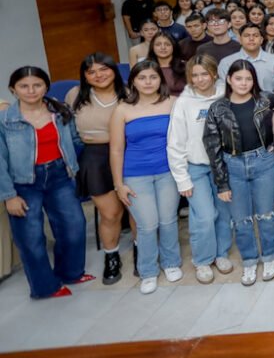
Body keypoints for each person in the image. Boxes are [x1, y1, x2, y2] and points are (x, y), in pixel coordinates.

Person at [1, 67, 92, 299]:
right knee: (31, 239)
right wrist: (9, 195)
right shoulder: (5, 120)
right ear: (13, 90)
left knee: (74, 226)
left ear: (46, 87)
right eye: (24, 86)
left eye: (37, 85)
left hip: (60, 176)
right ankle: (44, 287)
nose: (31, 91)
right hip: (23, 183)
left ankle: (71, 272)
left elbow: (74, 139)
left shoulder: (60, 111)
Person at [203, 61, 274, 286]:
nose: (243, 83)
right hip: (232, 165)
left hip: (264, 162)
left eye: (248, 79)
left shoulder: (266, 100)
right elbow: (212, 146)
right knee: (241, 219)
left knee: (266, 214)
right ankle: (249, 261)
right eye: (238, 79)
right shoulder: (218, 108)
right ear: (229, 79)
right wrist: (222, 184)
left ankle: (269, 258)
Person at [109, 61, 180, 294]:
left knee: (168, 220)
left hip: (168, 171)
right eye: (142, 78)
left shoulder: (172, 103)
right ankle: (148, 270)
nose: (148, 82)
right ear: (133, 82)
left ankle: (171, 262)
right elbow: (116, 149)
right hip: (135, 174)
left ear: (161, 79)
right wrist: (119, 184)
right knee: (147, 224)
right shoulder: (122, 109)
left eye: (153, 77)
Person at [167, 54, 233, 283]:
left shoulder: (227, 94)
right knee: (204, 216)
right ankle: (203, 260)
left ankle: (221, 253)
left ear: (214, 74)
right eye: (194, 75)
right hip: (196, 167)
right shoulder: (183, 102)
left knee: (224, 212)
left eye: (204, 73)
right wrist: (182, 178)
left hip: (223, 165)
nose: (200, 79)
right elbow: (175, 142)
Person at [66, 53, 126, 284]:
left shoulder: (129, 93)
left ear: (113, 69)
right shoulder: (75, 95)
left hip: (129, 153)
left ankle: (142, 249)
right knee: (110, 213)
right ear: (84, 76)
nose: (98, 75)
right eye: (91, 72)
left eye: (103, 69)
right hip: (95, 156)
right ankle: (112, 257)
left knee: (135, 209)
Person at [217, 23, 274, 93]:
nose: (251, 39)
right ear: (240, 40)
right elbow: (226, 90)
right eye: (247, 36)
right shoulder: (227, 62)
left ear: (261, 40)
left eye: (255, 35)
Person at [147, 32, 187, 96]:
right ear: (152, 47)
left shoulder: (185, 67)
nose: (163, 47)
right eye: (158, 44)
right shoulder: (145, 68)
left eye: (167, 44)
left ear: (174, 46)